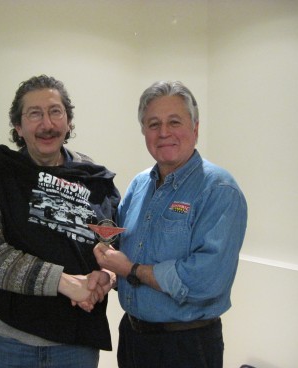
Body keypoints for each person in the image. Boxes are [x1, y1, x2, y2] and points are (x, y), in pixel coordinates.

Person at [0, 75, 120, 368]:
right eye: (34, 114)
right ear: (18, 127)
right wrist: (63, 283)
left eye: (55, 112)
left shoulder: (94, 179)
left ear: (68, 122)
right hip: (10, 346)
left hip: (76, 346)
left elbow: (113, 244)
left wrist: (106, 277)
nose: (47, 124)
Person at [94, 80, 247, 368]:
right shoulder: (139, 185)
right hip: (133, 338)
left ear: (195, 128)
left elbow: (206, 279)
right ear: (143, 132)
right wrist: (111, 276)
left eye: (174, 122)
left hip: (187, 347)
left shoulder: (219, 190)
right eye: (153, 124)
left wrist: (131, 270)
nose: (164, 133)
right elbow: (127, 252)